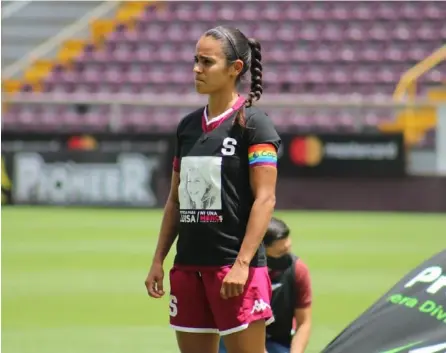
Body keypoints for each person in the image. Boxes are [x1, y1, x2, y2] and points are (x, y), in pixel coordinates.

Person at [144, 25, 282, 353]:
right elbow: (176, 200)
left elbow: (266, 198)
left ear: (235, 69)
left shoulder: (255, 125)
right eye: (195, 60)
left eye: (206, 62)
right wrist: (159, 260)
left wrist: (242, 264)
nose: (196, 69)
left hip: (234, 269)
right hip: (188, 267)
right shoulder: (188, 126)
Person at [220, 217, 312, 353]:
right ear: (261, 252)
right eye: (280, 254)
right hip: (239, 336)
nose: (287, 258)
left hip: (278, 341)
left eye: (288, 250)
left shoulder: (297, 269)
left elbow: (304, 322)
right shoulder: (237, 276)